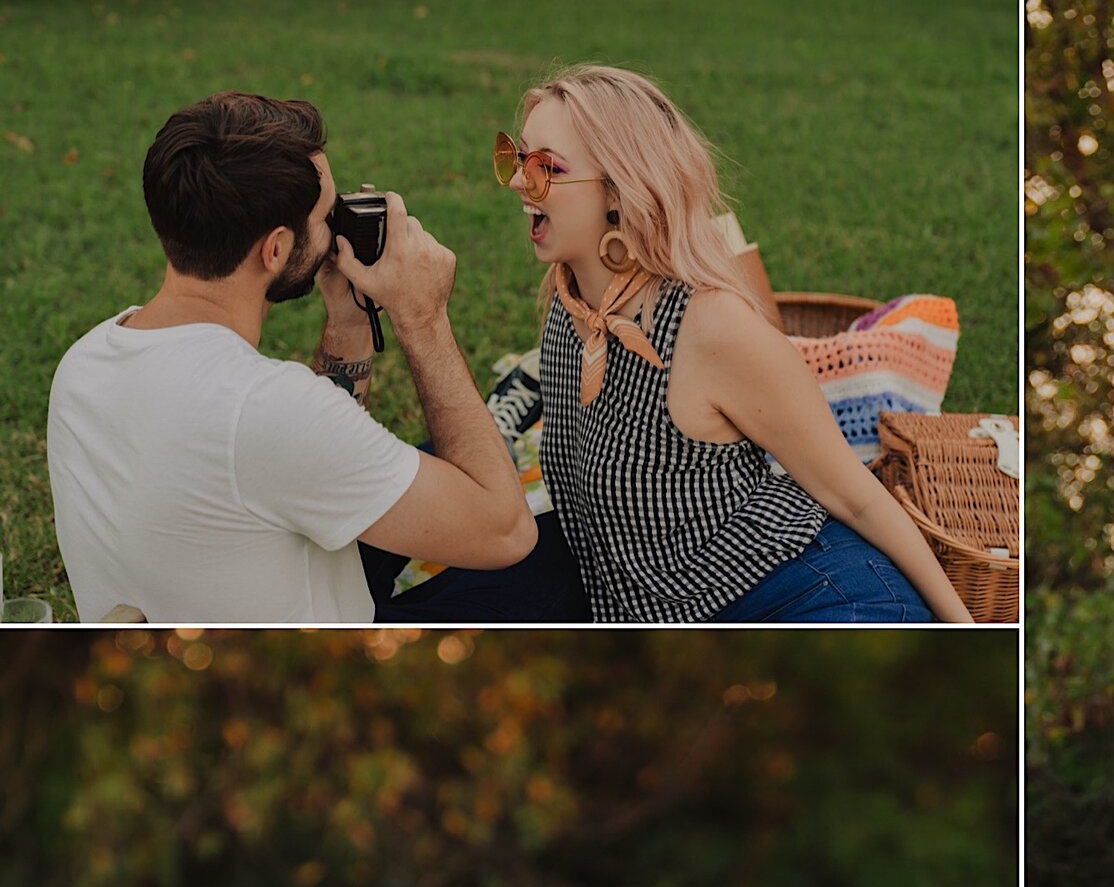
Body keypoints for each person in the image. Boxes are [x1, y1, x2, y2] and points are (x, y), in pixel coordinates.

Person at [47, 92, 537, 625]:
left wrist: (348, 323)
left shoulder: (85, 359)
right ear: (276, 250)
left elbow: (308, 455)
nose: (336, 230)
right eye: (328, 216)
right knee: (554, 549)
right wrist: (425, 321)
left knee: (420, 463)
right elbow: (505, 531)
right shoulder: (267, 408)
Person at [508, 65, 973, 624]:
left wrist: (962, 625)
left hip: (814, 594)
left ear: (620, 188)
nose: (517, 183)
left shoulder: (711, 327)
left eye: (545, 168)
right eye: (516, 158)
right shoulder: (568, 305)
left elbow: (857, 496)